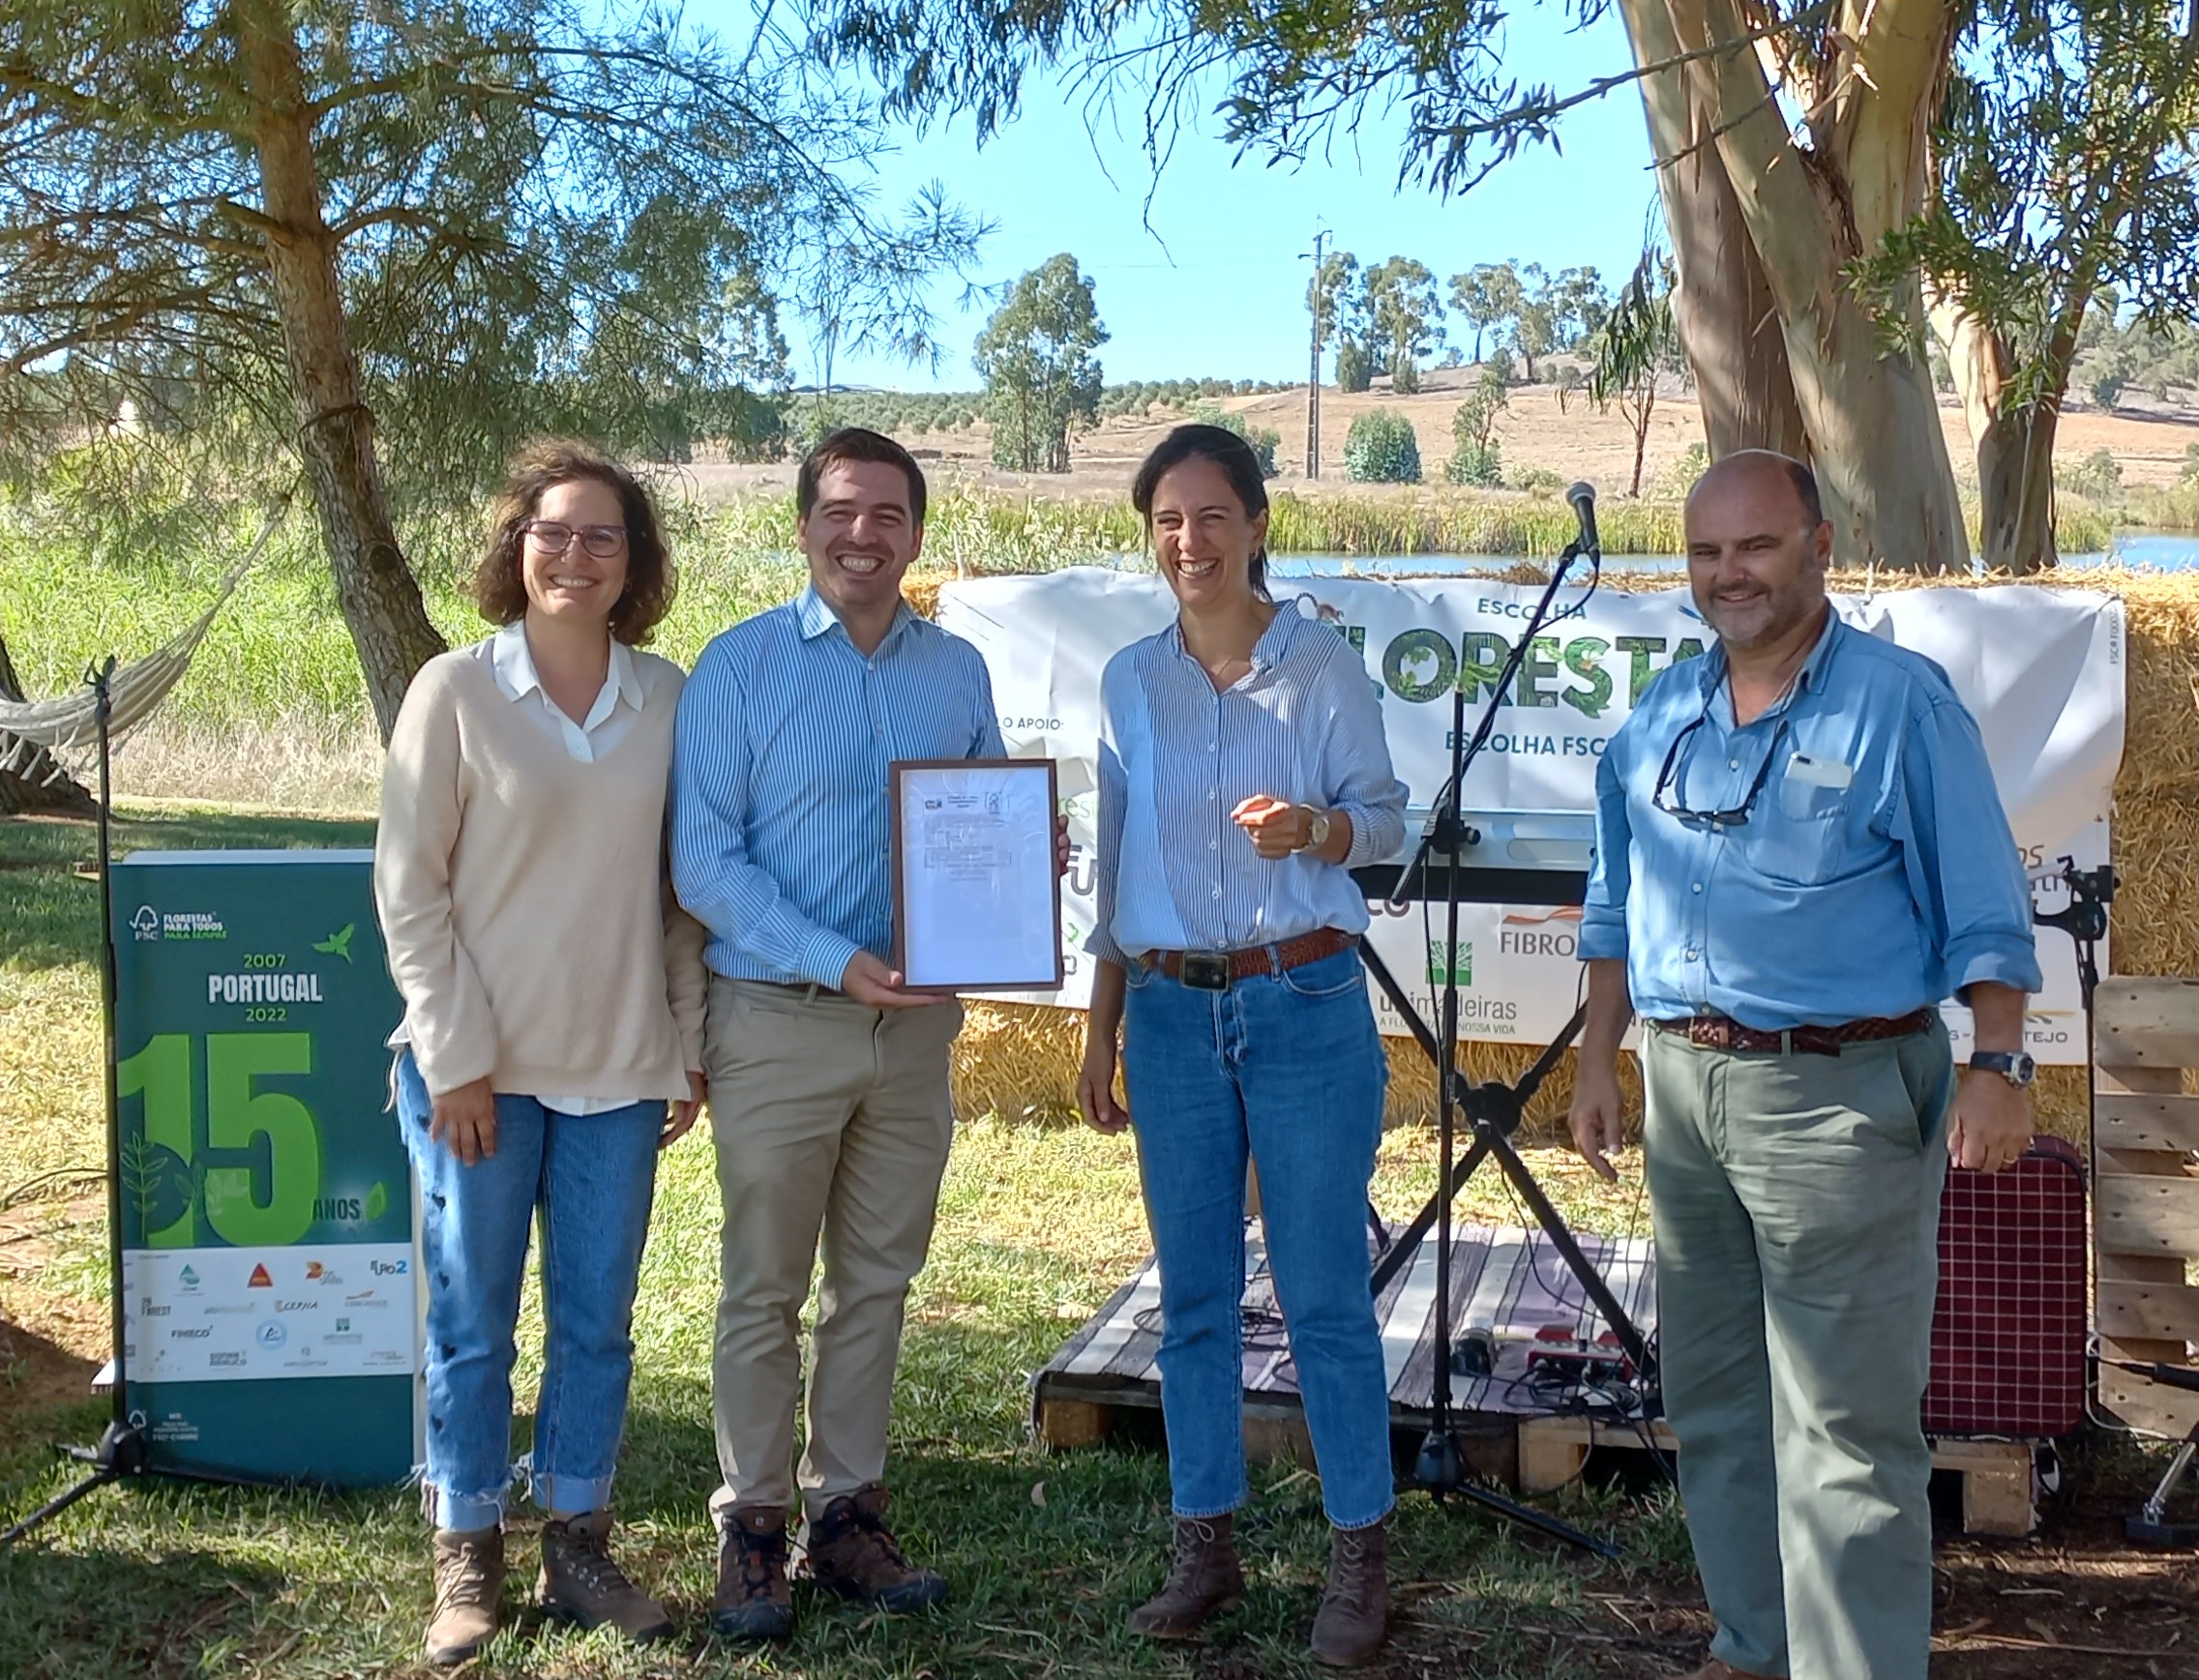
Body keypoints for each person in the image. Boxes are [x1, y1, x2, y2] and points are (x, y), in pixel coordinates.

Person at [1566, 451, 2043, 1680]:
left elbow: (1983, 902)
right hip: (1682, 1092)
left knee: (1843, 1425)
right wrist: (1597, 1060)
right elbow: (1613, 905)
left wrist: (1998, 1061)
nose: (1730, 574)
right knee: (1717, 1405)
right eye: (1706, 553)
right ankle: (1753, 1642)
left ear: (1817, 547)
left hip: (1835, 1100)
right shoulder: (1660, 715)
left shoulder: (1899, 704)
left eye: (1756, 546)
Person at [672, 427, 1065, 1641]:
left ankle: (847, 1515)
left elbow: (980, 812)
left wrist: (1019, 859)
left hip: (913, 1038)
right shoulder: (732, 670)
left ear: (914, 533)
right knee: (761, 1290)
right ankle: (751, 1528)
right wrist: (831, 957)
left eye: (887, 515)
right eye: (839, 511)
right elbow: (703, 863)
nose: (861, 534)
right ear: (802, 526)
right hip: (777, 1019)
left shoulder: (953, 673)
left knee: (878, 1285)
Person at [1075, 425, 1409, 1670]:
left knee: (1322, 1290)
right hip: (1167, 1011)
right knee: (1193, 1295)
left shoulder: (1319, 667)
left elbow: (1381, 823)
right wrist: (1101, 1027)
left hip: (1301, 1004)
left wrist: (1317, 829)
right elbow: (1115, 867)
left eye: (1212, 516)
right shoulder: (1128, 680)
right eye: (1166, 519)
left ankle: (1358, 1553)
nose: (1188, 541)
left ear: (1256, 525)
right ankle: (1203, 1544)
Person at [374, 441, 708, 1666]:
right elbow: (409, 892)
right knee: (471, 1323)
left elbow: (679, 896)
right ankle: (468, 1551)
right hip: (478, 1073)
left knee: (597, 1325)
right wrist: (454, 1054)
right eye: (553, 532)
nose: (575, 555)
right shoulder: (453, 692)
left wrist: (682, 1042)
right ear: (515, 547)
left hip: (618, 1068)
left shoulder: (666, 699)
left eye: (602, 537)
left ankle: (578, 1543)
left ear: (635, 564)